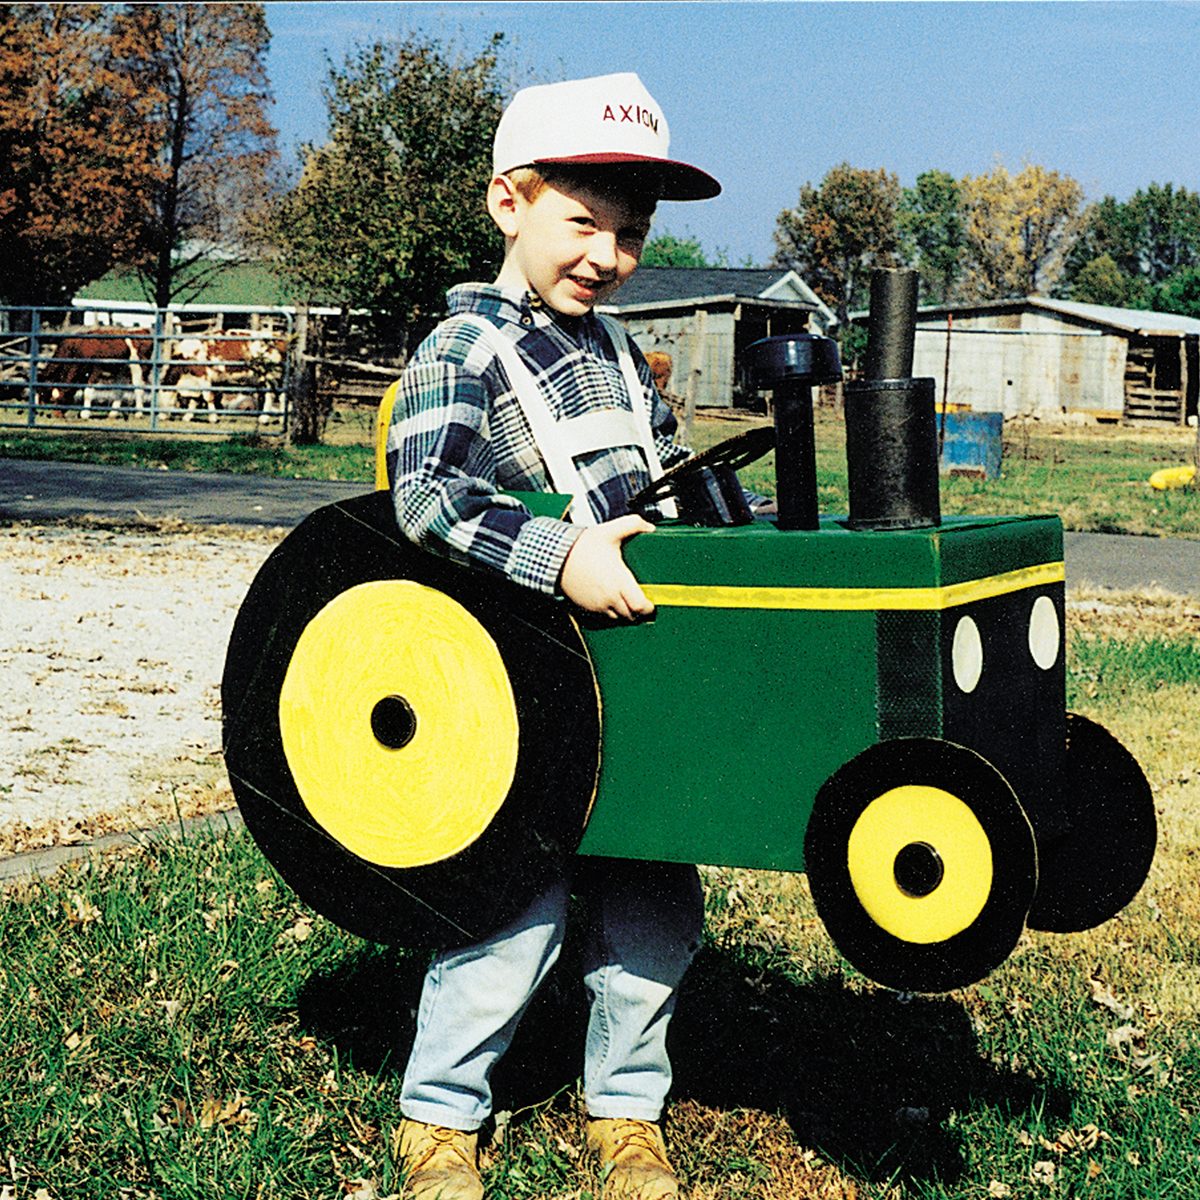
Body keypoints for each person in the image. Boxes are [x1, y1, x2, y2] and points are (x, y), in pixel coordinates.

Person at [386, 72, 724, 1200]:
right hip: (518, 688)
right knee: (511, 914)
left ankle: (626, 1114)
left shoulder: (623, 358)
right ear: (509, 203)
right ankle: (440, 1118)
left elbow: (662, 482)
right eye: (582, 223)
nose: (607, 256)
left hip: (634, 680)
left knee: (653, 904)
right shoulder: (461, 351)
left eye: (630, 235)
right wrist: (562, 556)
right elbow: (427, 497)